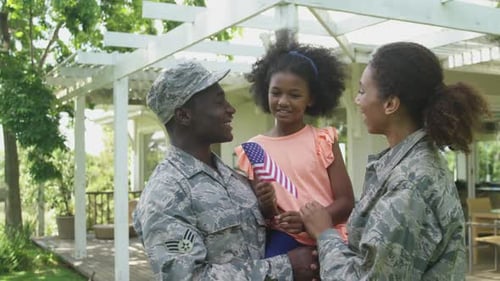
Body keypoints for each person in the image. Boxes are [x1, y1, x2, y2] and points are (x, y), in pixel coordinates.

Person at [300, 41, 489, 280]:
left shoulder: (409, 184)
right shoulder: (409, 167)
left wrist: (324, 233)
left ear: (390, 104)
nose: (357, 101)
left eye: (362, 91)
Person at [132, 61, 319, 281]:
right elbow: (188, 277)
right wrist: (286, 267)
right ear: (184, 116)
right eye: (219, 102)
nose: (231, 109)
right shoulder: (166, 193)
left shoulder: (234, 179)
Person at [235, 29, 355, 257]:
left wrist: (308, 220)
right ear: (265, 92)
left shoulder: (323, 140)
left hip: (329, 236)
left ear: (311, 98)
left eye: (295, 95)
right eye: (276, 93)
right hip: (284, 240)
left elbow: (346, 201)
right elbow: (264, 214)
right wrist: (267, 202)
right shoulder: (253, 149)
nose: (283, 101)